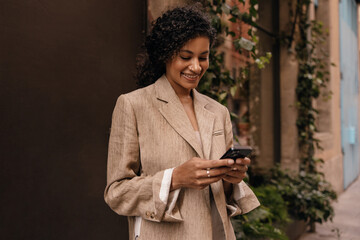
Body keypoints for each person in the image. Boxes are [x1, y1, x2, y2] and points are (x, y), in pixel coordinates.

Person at [104, 4, 260, 240]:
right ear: (165, 54)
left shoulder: (218, 112)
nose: (196, 67)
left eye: (203, 57)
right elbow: (117, 193)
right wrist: (175, 178)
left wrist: (232, 179)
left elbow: (223, 196)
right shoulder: (133, 106)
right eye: (186, 56)